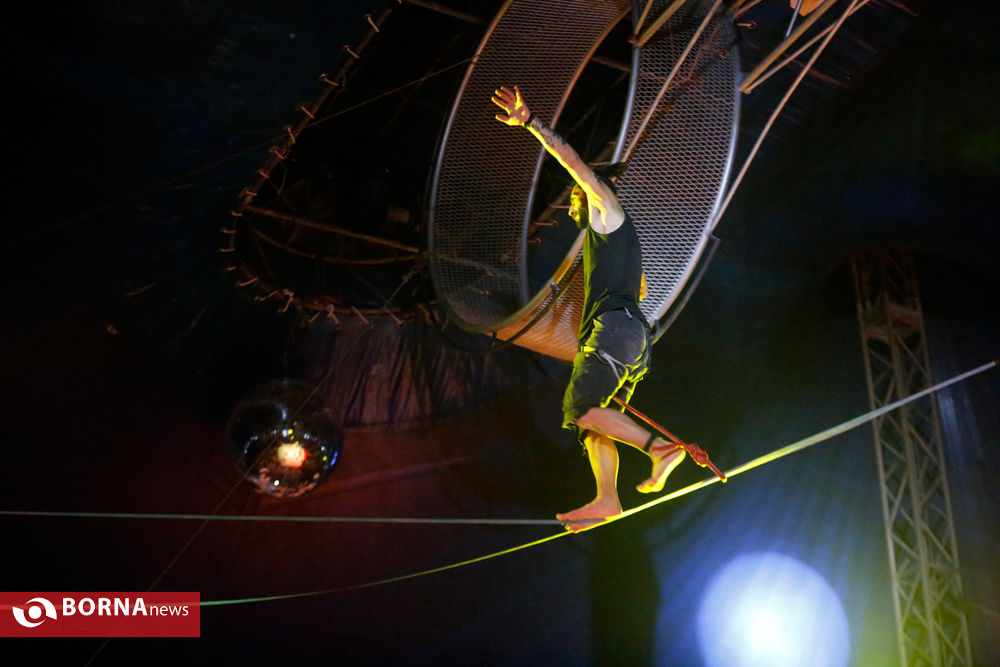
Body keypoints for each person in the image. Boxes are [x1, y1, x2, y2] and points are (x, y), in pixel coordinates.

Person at [491, 85, 685, 532]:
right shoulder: (612, 239)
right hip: (630, 338)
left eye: (576, 197)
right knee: (594, 422)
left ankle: (658, 449)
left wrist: (530, 122)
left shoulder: (609, 212)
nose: (571, 206)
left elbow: (575, 165)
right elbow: (640, 287)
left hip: (617, 331)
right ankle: (607, 497)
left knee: (580, 408)